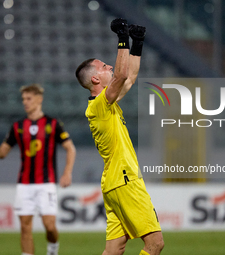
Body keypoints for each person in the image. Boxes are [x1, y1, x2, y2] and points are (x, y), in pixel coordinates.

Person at [75, 18, 164, 255]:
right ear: (95, 79)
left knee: (114, 250)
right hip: (124, 180)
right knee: (155, 244)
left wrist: (138, 43)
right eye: (104, 67)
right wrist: (122, 38)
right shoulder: (99, 106)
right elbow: (122, 76)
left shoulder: (105, 103)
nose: (109, 68)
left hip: (114, 182)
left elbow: (129, 77)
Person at [0, 84, 76, 255]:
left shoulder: (53, 123)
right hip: (24, 184)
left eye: (28, 98)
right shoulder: (18, 126)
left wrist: (67, 172)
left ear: (39, 99)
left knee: (50, 226)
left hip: (46, 183)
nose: (25, 102)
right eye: (23, 99)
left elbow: (70, 148)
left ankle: (52, 250)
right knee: (25, 227)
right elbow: (2, 152)